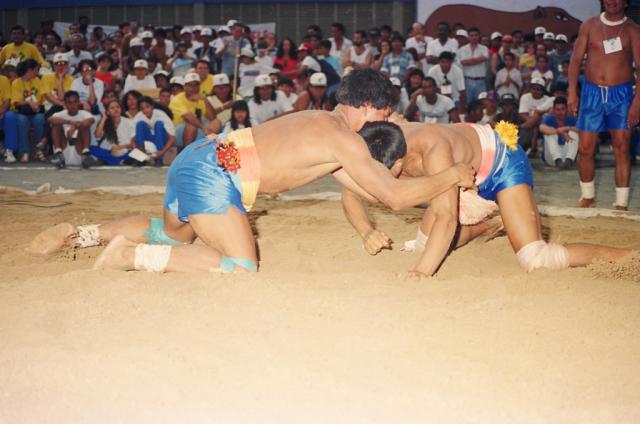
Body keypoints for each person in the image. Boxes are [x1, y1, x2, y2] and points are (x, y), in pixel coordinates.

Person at [29, 69, 475, 275]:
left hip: (200, 156)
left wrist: (372, 223)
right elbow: (395, 198)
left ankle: (82, 235)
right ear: (368, 107)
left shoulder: (318, 121)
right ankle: (127, 256)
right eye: (388, 112)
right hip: (215, 176)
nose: (391, 120)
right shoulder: (346, 140)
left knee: (175, 235)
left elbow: (371, 192)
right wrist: (452, 175)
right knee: (241, 266)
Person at [342, 121, 633, 278]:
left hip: (502, 164)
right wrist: (366, 230)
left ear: (399, 161)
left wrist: (421, 272)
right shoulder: (376, 140)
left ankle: (628, 257)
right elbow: (351, 190)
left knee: (537, 259)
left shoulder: (433, 151)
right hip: (464, 176)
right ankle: (490, 224)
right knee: (422, 244)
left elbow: (446, 217)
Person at [568, 0, 640, 210]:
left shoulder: (633, 30)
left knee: (622, 147)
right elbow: (575, 61)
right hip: (591, 94)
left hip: (622, 96)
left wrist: (637, 103)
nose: (613, 2)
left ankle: (621, 203)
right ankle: (587, 196)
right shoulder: (589, 25)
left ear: (625, 3)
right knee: (586, 147)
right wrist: (572, 91)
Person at [48, 90, 97, 169]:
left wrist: (75, 127)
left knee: (84, 126)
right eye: (69, 102)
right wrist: (69, 122)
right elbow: (50, 119)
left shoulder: (84, 113)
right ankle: (58, 153)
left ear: (79, 102)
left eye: (75, 102)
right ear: (65, 104)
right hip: (64, 151)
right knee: (56, 124)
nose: (72, 105)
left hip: (79, 151)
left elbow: (91, 121)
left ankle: (85, 154)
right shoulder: (60, 114)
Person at [10, 59, 45, 163]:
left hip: (36, 111)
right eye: (37, 70)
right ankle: (24, 152)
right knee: (22, 121)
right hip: (22, 111)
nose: (38, 72)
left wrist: (37, 104)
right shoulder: (17, 82)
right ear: (31, 70)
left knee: (40, 119)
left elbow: (42, 98)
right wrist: (29, 103)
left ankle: (39, 150)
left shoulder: (38, 81)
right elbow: (16, 102)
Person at [90, 99, 136, 165]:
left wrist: (121, 147)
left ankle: (110, 161)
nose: (116, 109)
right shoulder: (105, 123)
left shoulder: (129, 122)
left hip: (126, 151)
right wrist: (104, 118)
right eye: (112, 108)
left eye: (117, 107)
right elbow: (97, 135)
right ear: (108, 112)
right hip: (109, 152)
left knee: (136, 153)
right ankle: (120, 161)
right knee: (92, 149)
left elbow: (133, 144)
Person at [132, 96, 176, 163]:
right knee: (140, 125)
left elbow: (172, 138)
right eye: (142, 108)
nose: (145, 110)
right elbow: (133, 140)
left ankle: (159, 159)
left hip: (161, 141)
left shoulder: (161, 115)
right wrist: (137, 153)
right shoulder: (138, 117)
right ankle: (141, 158)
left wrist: (162, 152)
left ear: (152, 106)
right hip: (147, 142)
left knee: (159, 124)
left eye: (147, 106)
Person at [539, 96, 579, 168]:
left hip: (568, 156)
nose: (560, 112)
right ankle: (558, 160)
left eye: (562, 109)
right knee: (549, 132)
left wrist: (566, 128)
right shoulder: (549, 118)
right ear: (554, 110)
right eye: (557, 109)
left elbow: (582, 130)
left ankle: (569, 160)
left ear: (566, 109)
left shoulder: (572, 119)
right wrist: (559, 131)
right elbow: (541, 128)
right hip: (552, 158)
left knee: (574, 132)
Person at [169, 72, 207, 146]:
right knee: (191, 125)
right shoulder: (177, 99)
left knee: (216, 122)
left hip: (198, 125)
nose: (194, 88)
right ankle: (186, 154)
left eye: (196, 85)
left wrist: (206, 101)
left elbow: (211, 117)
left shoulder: (200, 98)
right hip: (176, 130)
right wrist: (204, 128)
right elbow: (188, 117)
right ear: (184, 87)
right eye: (190, 85)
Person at [457, 27, 489, 103]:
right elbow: (462, 63)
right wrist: (477, 60)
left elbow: (483, 58)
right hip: (467, 80)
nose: (474, 37)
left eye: (476, 35)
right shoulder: (462, 49)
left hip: (481, 81)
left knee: (482, 104)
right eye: (471, 35)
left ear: (479, 36)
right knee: (468, 104)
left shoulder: (484, 48)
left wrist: (468, 61)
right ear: (468, 37)